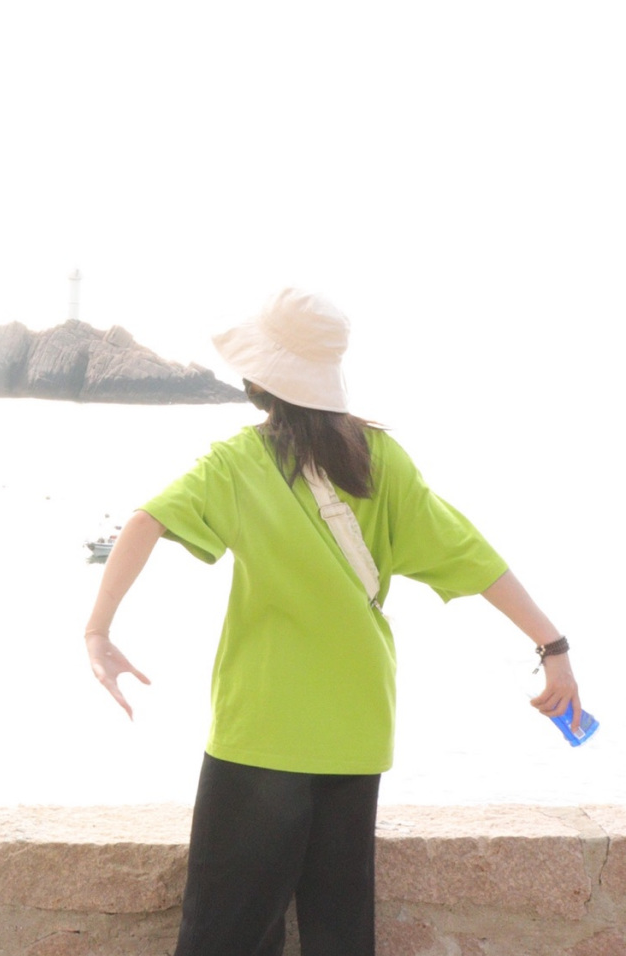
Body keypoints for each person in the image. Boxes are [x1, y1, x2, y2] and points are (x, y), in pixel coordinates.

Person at [83, 289, 583, 956]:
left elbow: (146, 521)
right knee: (338, 933)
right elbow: (472, 556)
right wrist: (553, 645)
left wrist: (98, 632)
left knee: (224, 936)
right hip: (357, 725)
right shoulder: (380, 458)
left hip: (261, 729)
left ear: (260, 377)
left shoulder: (238, 463)